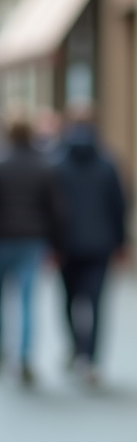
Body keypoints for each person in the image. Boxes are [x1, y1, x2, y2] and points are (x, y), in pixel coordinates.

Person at [53, 113, 127, 385]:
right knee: (95, 303)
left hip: (67, 245)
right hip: (100, 244)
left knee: (69, 301)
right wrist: (121, 243)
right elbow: (119, 206)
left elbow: (53, 209)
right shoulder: (108, 164)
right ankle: (91, 359)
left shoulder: (58, 163)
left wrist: (52, 244)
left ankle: (76, 347)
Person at [0, 115, 64, 385]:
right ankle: (25, 357)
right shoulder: (43, 166)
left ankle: (4, 351)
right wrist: (56, 244)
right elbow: (56, 210)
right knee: (27, 300)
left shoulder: (2, 165)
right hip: (32, 240)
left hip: (4, 239)